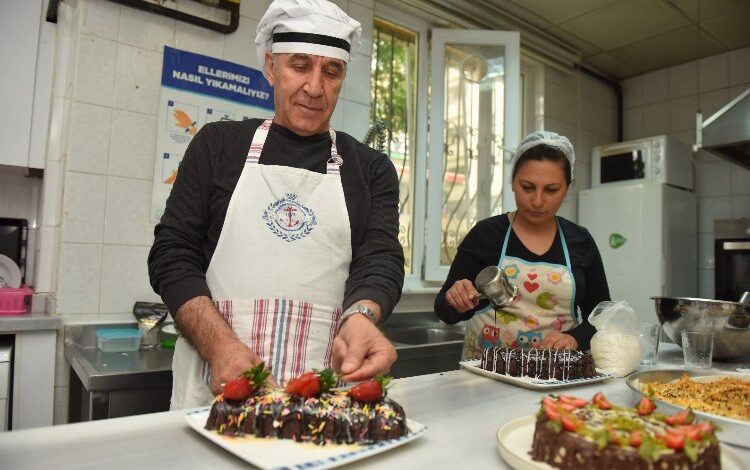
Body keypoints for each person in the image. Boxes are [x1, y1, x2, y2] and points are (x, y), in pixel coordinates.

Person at [148, 0, 404, 409]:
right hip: (217, 386)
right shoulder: (217, 145)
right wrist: (219, 345)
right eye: (300, 66)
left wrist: (363, 315)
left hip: (324, 394)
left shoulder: (371, 169)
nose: (315, 87)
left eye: (331, 71)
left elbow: (381, 259)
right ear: (271, 67)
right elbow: (172, 254)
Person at [434, 131, 610, 359]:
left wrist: (574, 337)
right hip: (484, 377)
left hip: (555, 376)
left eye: (551, 190)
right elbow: (443, 311)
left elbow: (603, 315)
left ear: (568, 187)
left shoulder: (580, 241)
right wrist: (455, 301)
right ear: (513, 182)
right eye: (527, 187)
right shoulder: (486, 234)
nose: (537, 201)